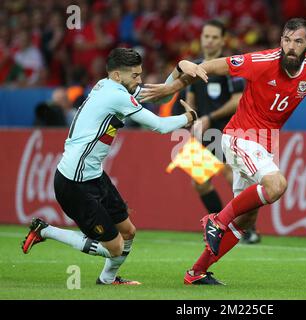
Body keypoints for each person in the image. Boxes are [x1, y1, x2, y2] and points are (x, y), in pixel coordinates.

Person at [140, 18, 306, 285]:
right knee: (275, 185)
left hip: (264, 143)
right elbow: (211, 67)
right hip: (238, 136)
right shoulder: (261, 61)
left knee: (247, 218)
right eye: (286, 40)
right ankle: (216, 220)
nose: (290, 47)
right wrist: (172, 87)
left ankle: (196, 272)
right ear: (280, 41)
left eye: (297, 41)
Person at [22, 48, 205, 285]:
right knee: (115, 248)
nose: (139, 80)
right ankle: (45, 230)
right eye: (135, 76)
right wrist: (189, 118)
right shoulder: (116, 96)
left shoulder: (112, 86)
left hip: (94, 176)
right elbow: (159, 126)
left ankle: (108, 280)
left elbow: (156, 96)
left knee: (128, 232)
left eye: (140, 74)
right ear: (118, 75)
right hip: (74, 183)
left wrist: (178, 69)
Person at [182, 19, 261, 244]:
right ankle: (220, 225)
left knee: (231, 175)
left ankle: (249, 229)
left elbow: (238, 100)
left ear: (222, 40)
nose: (209, 41)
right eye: (206, 36)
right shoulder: (194, 68)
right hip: (203, 133)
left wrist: (209, 118)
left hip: (229, 131)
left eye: (214, 37)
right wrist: (192, 119)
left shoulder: (231, 68)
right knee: (199, 182)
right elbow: (191, 100)